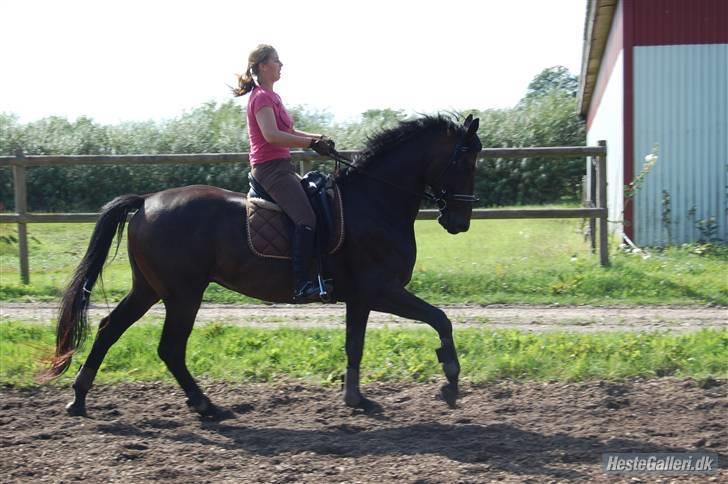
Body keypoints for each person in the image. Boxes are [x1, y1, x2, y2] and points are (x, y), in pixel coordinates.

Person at [232, 44, 335, 303]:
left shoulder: (271, 96)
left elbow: (290, 131)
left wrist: (318, 138)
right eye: (277, 61)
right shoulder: (262, 98)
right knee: (306, 218)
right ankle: (301, 285)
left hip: (281, 168)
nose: (281, 65)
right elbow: (272, 136)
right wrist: (311, 144)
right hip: (270, 170)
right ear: (264, 66)